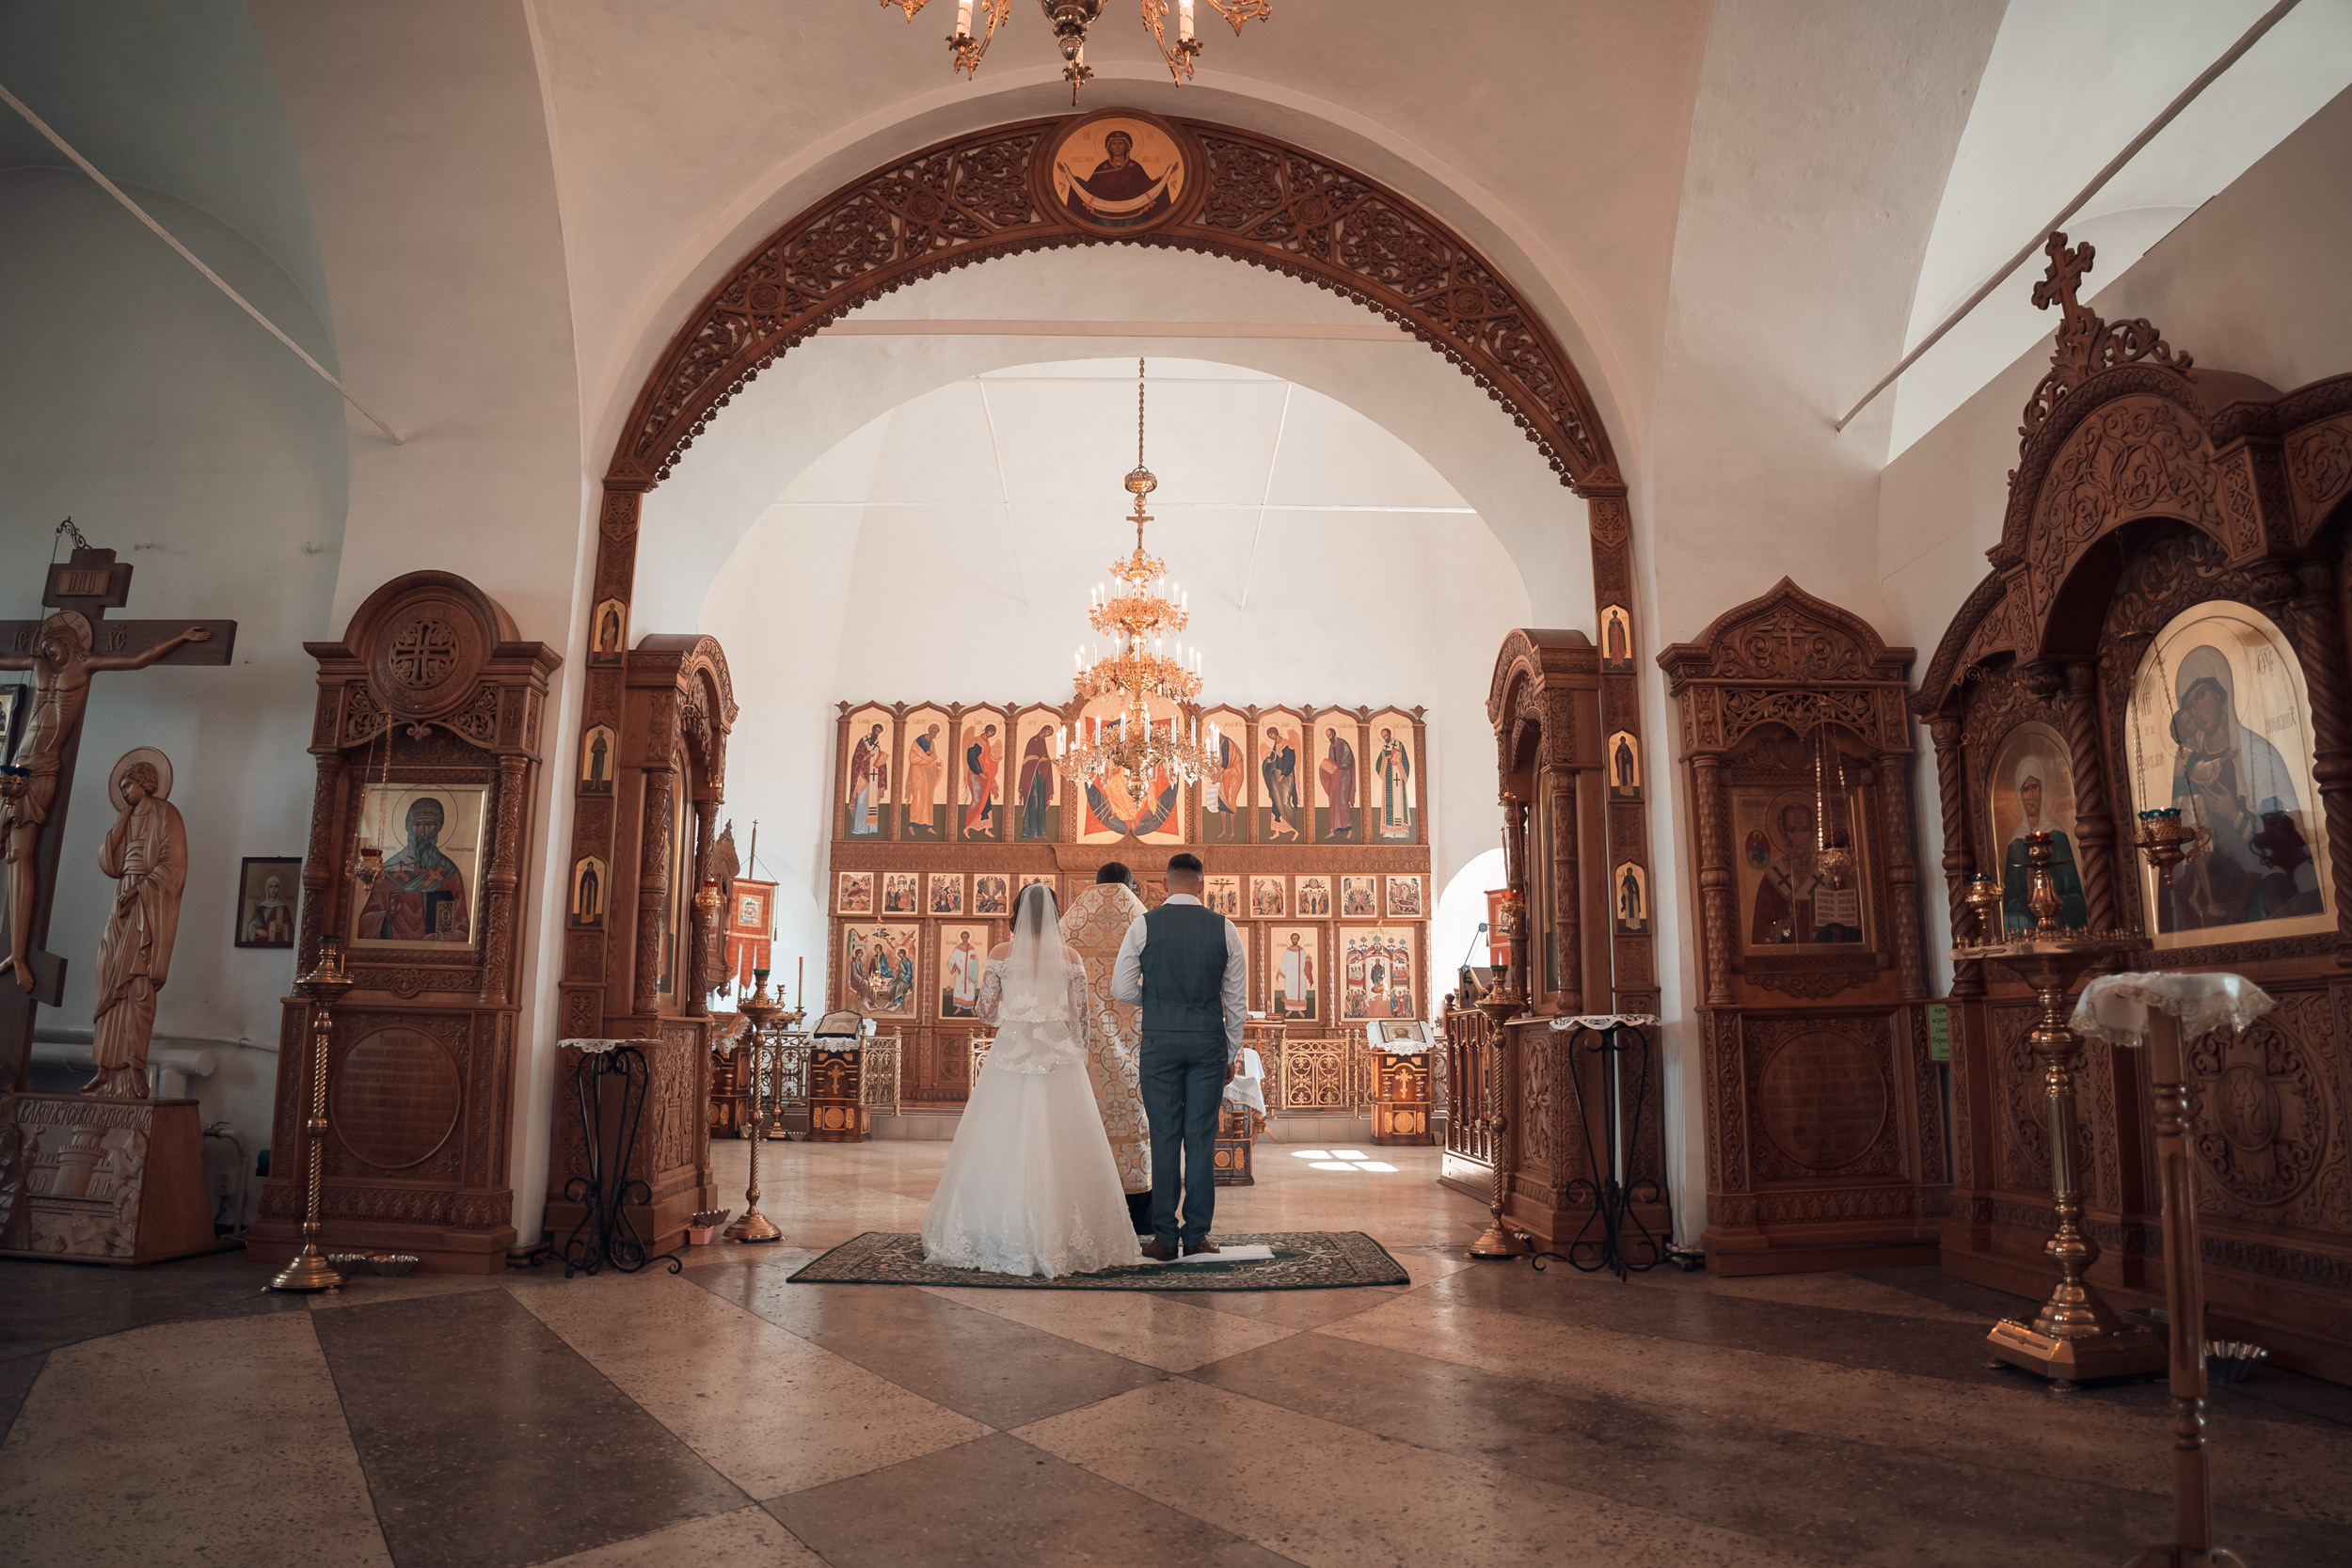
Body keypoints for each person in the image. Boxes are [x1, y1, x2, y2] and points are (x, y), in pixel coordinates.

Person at [920, 884, 1139, 1276]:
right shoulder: (1070, 957)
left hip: (1011, 1054)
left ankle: (1002, 1229)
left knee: (1001, 1138)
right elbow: (1082, 1019)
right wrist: (1075, 1053)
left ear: (1017, 913)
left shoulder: (1000, 954)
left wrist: (1013, 1014)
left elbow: (985, 1011)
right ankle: (1065, 1235)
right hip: (1059, 1058)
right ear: (1054, 915)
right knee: (1063, 1140)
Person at [1114, 852, 1248, 1259]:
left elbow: (1122, 989)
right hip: (1208, 1044)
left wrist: (1156, 1000)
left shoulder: (1143, 924)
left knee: (1164, 1137)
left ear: (1165, 883)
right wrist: (1229, 1053)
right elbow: (1236, 1002)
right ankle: (1197, 1237)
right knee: (1201, 1138)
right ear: (1202, 885)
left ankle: (1163, 1238)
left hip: (1160, 1042)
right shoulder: (1225, 928)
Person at [1062, 863, 1154, 1234]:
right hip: (1137, 1044)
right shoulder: (1145, 921)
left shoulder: (1069, 924)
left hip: (1081, 1050)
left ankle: (1083, 1216)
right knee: (1134, 1118)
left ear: (1094, 883)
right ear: (1131, 884)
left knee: (1081, 1122)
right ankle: (1139, 1218)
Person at [87, 757, 187, 1098]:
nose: (124, 792)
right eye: (121, 788)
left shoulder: (167, 814)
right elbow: (109, 862)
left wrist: (140, 888)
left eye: (128, 785)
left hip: (148, 903)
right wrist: (123, 817)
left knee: (139, 987)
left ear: (146, 783)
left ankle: (135, 1068)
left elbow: (174, 864)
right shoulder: (126, 816)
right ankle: (104, 1069)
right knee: (107, 975)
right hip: (122, 902)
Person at [1999, 755, 2088, 933]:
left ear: (2043, 790)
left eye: (2035, 787)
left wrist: (2051, 898)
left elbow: (2077, 897)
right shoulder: (2015, 844)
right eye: (2025, 789)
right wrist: (2028, 898)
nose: (2031, 796)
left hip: (2062, 931)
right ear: (2019, 795)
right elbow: (2008, 907)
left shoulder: (2057, 835)